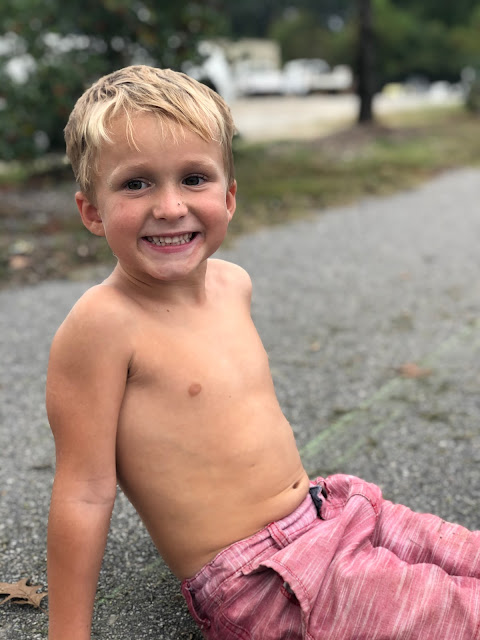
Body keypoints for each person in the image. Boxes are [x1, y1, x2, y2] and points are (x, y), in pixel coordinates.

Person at [46, 65, 480, 640]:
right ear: (92, 212)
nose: (170, 206)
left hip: (331, 511)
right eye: (136, 184)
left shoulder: (233, 283)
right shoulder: (102, 325)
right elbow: (83, 493)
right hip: (261, 577)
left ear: (228, 197)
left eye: (193, 179)